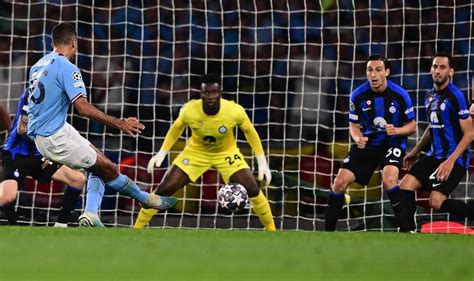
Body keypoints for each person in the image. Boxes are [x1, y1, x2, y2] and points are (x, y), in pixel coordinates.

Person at [26, 23, 177, 227]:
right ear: (74, 42)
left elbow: (33, 108)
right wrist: (120, 123)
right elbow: (84, 108)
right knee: (108, 167)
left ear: (52, 43)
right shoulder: (68, 68)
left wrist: (39, 143)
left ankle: (91, 214)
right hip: (54, 136)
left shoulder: (38, 66)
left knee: (101, 163)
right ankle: (147, 200)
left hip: (53, 130)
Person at [134, 74, 276, 231]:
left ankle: (272, 229)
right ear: (200, 93)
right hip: (195, 153)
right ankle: (137, 228)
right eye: (206, 92)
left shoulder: (234, 110)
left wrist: (262, 161)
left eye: (214, 92)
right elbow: (176, 128)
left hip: (226, 153)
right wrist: (162, 152)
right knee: (163, 190)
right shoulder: (190, 110)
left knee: (253, 188)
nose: (210, 96)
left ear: (220, 93)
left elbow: (251, 132)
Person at [325, 54, 416, 231]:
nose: (373, 75)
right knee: (339, 183)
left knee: (389, 180)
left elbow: (412, 126)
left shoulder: (400, 95)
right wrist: (357, 138)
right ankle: (327, 233)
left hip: (393, 143)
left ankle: (407, 230)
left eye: (378, 70)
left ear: (387, 72)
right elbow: (353, 125)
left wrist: (396, 131)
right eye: (369, 70)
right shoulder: (357, 95)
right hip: (368, 144)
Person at [394, 52, 474, 232]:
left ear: (451, 72)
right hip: (433, 156)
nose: (438, 71)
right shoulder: (429, 96)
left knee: (436, 202)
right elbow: (433, 127)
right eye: (435, 67)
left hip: (454, 158)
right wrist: (415, 151)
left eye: (442, 67)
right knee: (405, 185)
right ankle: (407, 231)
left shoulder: (456, 96)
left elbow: (470, 133)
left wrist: (450, 162)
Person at [0, 89, 86, 227]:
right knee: (7, 197)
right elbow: (23, 129)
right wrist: (48, 149)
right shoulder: (33, 93)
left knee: (78, 179)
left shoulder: (57, 100)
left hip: (39, 155)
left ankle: (61, 225)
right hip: (17, 154)